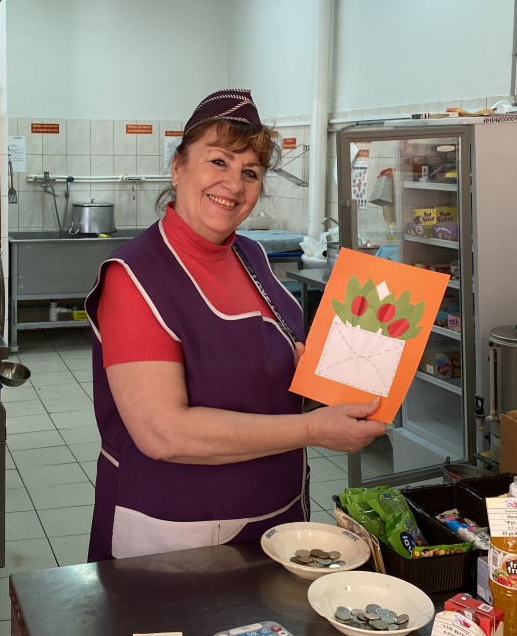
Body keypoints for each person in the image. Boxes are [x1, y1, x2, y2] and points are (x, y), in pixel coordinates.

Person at [86, 88, 386, 561]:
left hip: (279, 515)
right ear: (178, 167)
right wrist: (312, 429)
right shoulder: (134, 277)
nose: (234, 184)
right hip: (176, 532)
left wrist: (331, 385)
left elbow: (268, 378)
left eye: (250, 172)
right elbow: (163, 432)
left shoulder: (252, 256)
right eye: (219, 161)